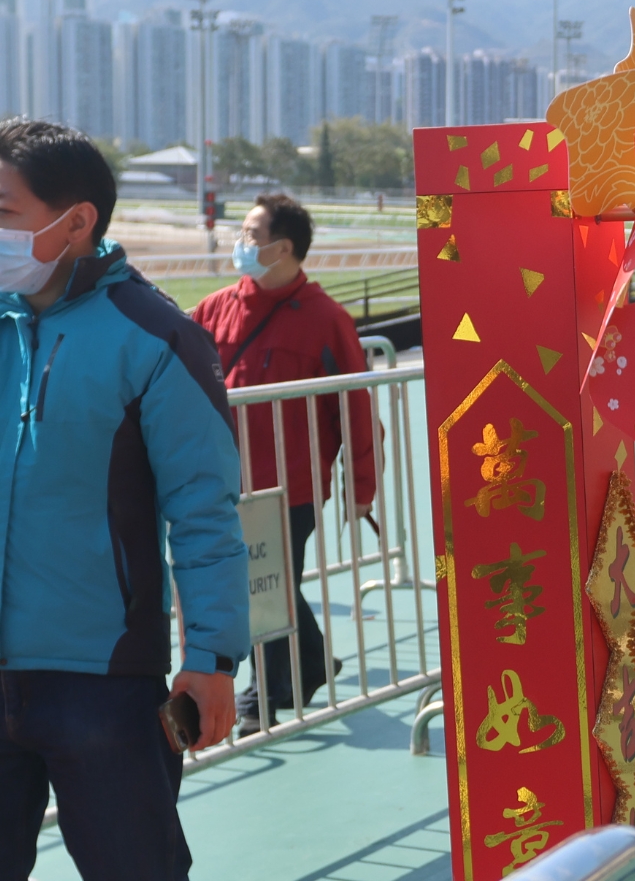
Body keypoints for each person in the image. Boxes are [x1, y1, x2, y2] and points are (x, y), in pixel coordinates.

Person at [0, 120, 249, 879]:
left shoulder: (157, 337)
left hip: (104, 685)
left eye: (3, 212)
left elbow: (203, 511)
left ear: (76, 222)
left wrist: (211, 657)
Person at [191, 194, 376, 734]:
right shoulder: (214, 309)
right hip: (223, 482)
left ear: (284, 248)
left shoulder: (326, 320)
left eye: (251, 234)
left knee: (262, 585)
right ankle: (311, 662)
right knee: (260, 582)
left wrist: (360, 485)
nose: (240, 243)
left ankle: (262, 699)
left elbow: (355, 409)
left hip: (290, 488)